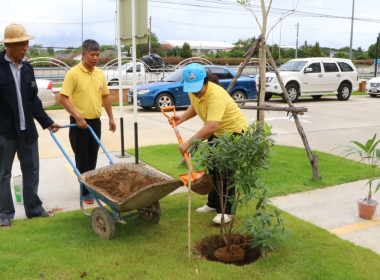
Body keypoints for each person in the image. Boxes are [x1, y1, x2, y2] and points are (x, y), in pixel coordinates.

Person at [170, 63, 248, 224]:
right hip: (218, 133)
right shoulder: (194, 91)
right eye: (192, 88)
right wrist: (182, 118)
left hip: (234, 133)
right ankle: (213, 203)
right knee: (212, 168)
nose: (195, 92)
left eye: (198, 88)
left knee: (225, 171)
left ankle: (227, 212)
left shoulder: (215, 95)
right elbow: (195, 106)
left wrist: (188, 143)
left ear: (206, 81)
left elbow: (211, 126)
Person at [0, 23, 60, 229]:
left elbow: (34, 101)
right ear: (9, 45)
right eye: (21, 44)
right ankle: (4, 214)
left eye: (26, 43)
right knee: (3, 173)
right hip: (4, 132)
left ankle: (34, 209)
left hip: (28, 131)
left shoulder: (27, 68)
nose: (25, 48)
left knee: (32, 170)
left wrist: (48, 122)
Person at [59, 39, 116, 204]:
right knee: (82, 158)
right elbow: (63, 98)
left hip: (95, 122)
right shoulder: (73, 74)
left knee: (92, 156)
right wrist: (78, 117)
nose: (96, 58)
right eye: (92, 55)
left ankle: (90, 186)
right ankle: (85, 191)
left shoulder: (99, 73)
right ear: (83, 54)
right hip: (78, 124)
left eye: (98, 55)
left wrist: (111, 118)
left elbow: (105, 96)